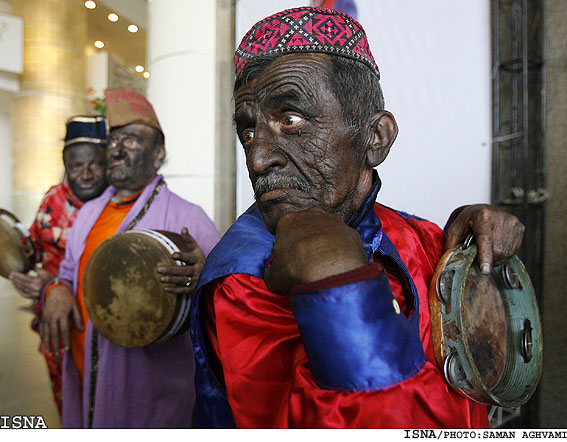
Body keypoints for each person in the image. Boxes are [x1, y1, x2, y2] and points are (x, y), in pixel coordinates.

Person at [190, 7, 525, 428]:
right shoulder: (246, 277)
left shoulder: (418, 235)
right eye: (248, 131)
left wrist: (476, 238)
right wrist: (338, 283)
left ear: (375, 138)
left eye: (291, 119)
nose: (258, 159)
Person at [40, 88, 221, 428]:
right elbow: (66, 274)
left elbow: (226, 306)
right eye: (113, 141)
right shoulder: (89, 212)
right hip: (84, 375)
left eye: (133, 140)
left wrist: (206, 281)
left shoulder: (189, 218)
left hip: (148, 395)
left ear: (158, 154)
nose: (118, 149)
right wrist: (56, 290)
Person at [9, 115, 108, 415]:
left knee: (104, 405)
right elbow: (33, 251)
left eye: (95, 163)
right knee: (67, 403)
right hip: (57, 327)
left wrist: (54, 281)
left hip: (103, 332)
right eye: (76, 165)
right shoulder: (52, 200)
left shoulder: (118, 204)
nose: (86, 173)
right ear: (66, 165)